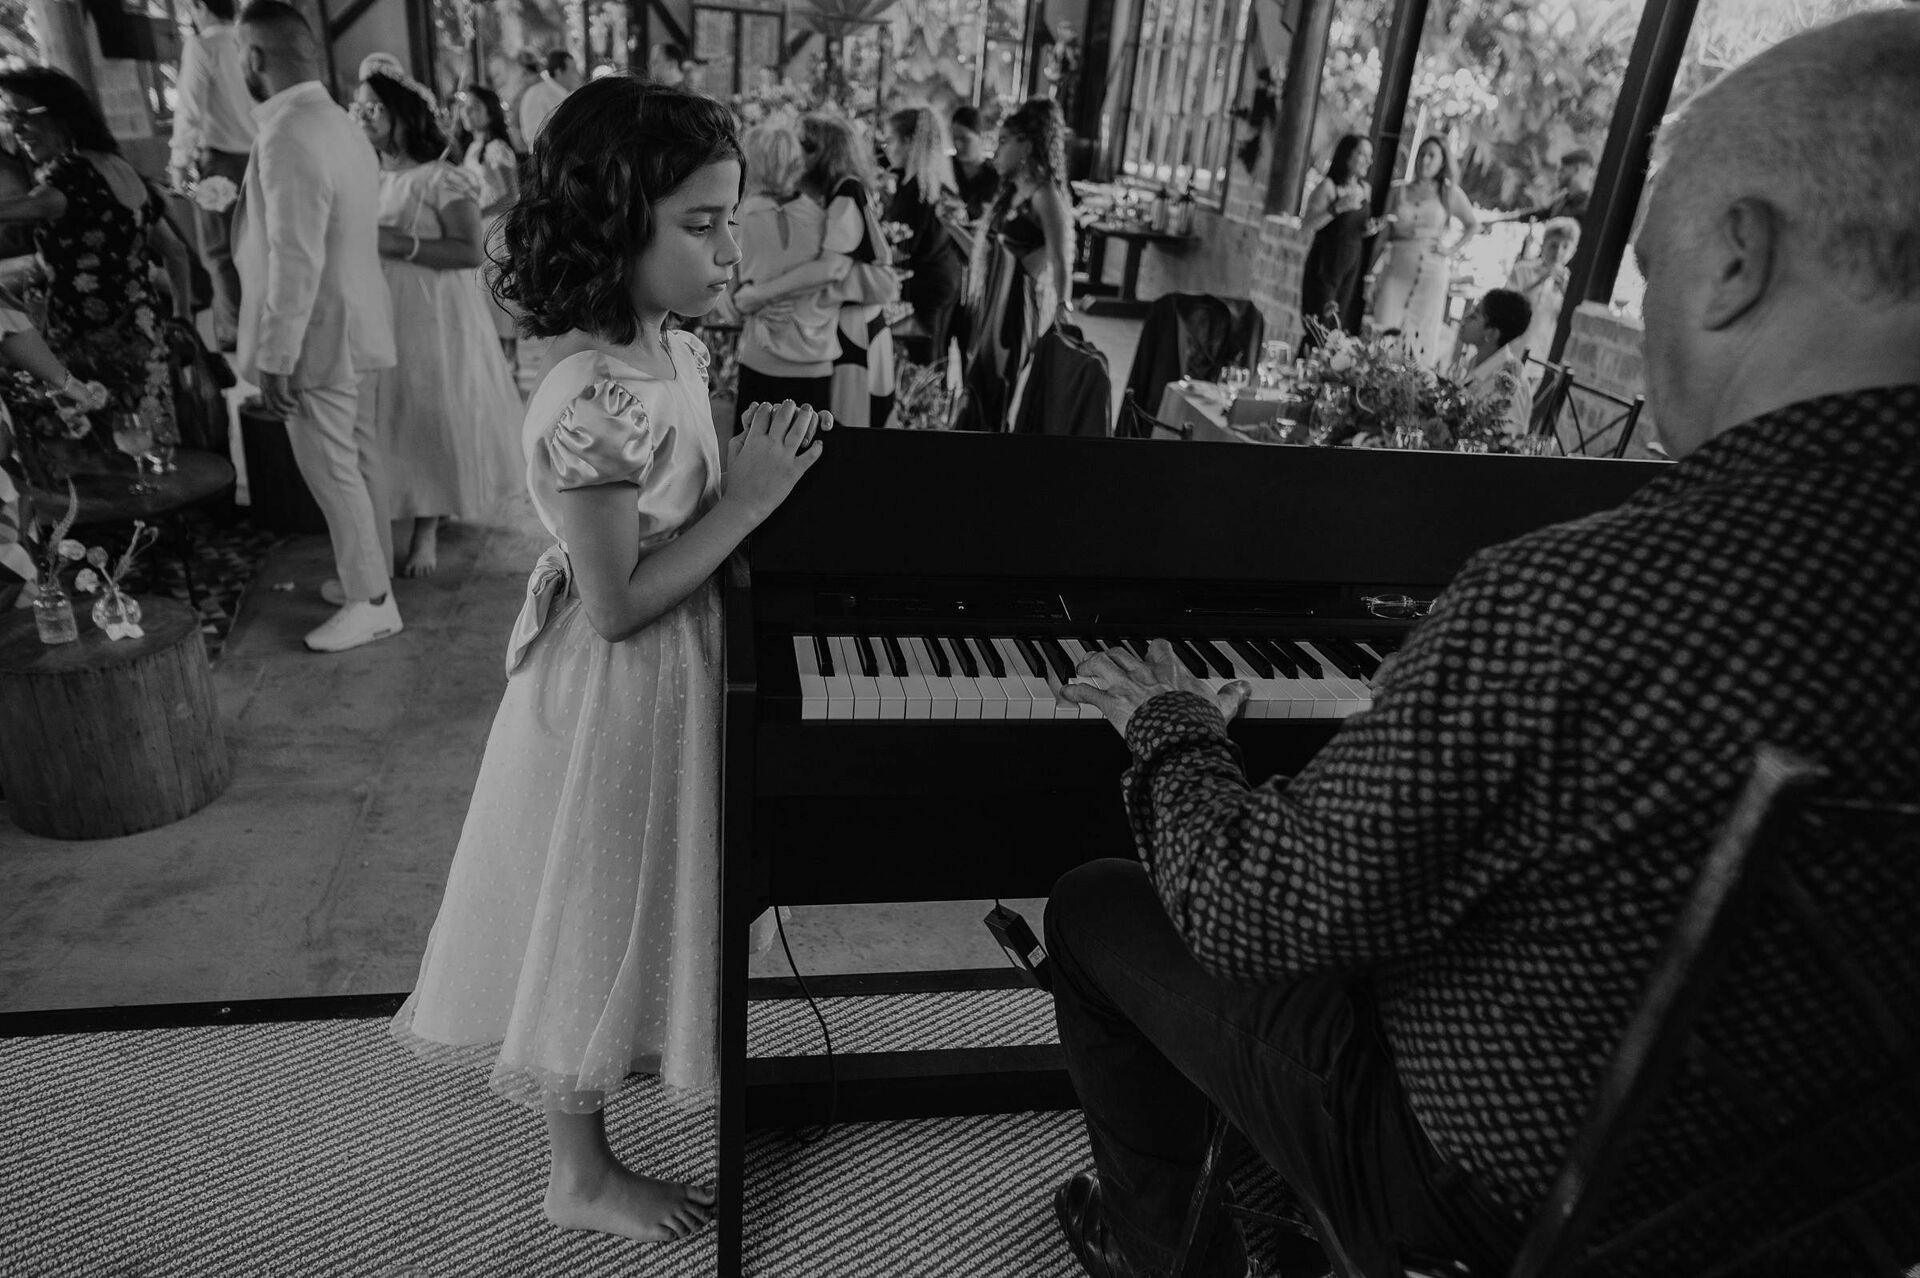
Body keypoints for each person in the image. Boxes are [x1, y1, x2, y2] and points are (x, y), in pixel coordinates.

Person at [1037, 10, 1920, 1278]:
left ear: (1736, 258)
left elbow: (1247, 911)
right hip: (1838, 1219)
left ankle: (1160, 1252)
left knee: (1099, 907)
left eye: (1654, 266)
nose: (1658, 300)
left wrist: (1169, 722)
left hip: (1487, 1190)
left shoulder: (1577, 601)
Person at [389, 78, 830, 1246]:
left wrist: (738, 474)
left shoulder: (664, 343)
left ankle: (627, 1100)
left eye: (730, 219)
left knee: (664, 893)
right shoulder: (589, 394)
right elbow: (620, 599)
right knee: (590, 906)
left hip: (675, 676)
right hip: (616, 690)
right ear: (611, 217)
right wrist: (742, 502)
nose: (730, 251)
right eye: (701, 225)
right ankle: (574, 1172)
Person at [233, 1, 400, 653]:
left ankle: (373, 601)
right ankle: (372, 577)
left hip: (321, 334)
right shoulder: (337, 121)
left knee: (332, 470)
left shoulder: (287, 133)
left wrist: (276, 356)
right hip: (362, 321)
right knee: (358, 461)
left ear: (253, 58)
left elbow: (295, 257)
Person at [352, 62, 523, 580]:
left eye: (373, 107)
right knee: (386, 412)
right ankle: (390, 511)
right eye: (357, 106)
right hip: (377, 305)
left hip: (431, 309)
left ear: (402, 115)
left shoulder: (441, 176)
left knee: (428, 407)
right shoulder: (366, 173)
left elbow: (469, 249)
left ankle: (427, 523)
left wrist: (396, 243)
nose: (362, 115)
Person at [0, 68, 193, 450]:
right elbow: (175, 251)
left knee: (100, 442)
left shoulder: (71, 175)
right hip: (143, 330)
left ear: (60, 114)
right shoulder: (120, 168)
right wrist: (182, 318)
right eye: (9, 117)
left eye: (25, 115)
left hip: (88, 338)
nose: (16, 128)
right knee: (147, 434)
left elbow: (37, 205)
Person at [737, 114, 894, 428]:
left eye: (804, 147)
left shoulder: (846, 191)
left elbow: (831, 268)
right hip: (824, 339)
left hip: (849, 327)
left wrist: (756, 296)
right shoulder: (821, 207)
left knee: (849, 420)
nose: (798, 156)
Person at [956, 96, 1073, 432]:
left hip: (1015, 309)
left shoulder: (1045, 195)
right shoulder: (1013, 192)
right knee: (978, 380)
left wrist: (1062, 311)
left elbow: (1060, 259)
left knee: (998, 384)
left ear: (1027, 145)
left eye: (1004, 142)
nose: (996, 151)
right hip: (994, 302)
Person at [731, 121, 840, 433]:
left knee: (754, 447)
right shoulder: (824, 219)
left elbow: (731, 297)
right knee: (812, 452)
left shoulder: (740, 218)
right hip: (815, 354)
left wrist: (753, 300)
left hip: (761, 352)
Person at [167, 0, 257, 352]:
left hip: (221, 165)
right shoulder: (250, 40)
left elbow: (189, 108)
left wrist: (179, 163)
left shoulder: (203, 45)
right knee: (259, 244)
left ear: (197, 5)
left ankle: (236, 331)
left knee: (220, 252)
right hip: (262, 159)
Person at [1370, 135, 1478, 369]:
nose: (1425, 160)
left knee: (1420, 338)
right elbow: (1383, 234)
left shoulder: (1448, 193)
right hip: (1398, 266)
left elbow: (1473, 224)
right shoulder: (1398, 191)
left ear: (1442, 162)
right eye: (1422, 154)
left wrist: (1450, 250)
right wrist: (1370, 274)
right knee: (1383, 326)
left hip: (1432, 271)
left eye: (1432, 156)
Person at [881, 105, 965, 368]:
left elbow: (902, 245)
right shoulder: (931, 183)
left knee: (923, 361)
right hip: (943, 280)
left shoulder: (916, 190)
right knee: (933, 354)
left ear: (908, 143)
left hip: (926, 287)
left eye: (890, 140)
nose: (886, 148)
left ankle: (925, 408)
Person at [448, 83, 522, 365]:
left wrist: (476, 214)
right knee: (482, 294)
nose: (467, 112)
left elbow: (510, 196)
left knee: (497, 293)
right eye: (465, 106)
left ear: (490, 113)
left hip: (494, 230)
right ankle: (493, 358)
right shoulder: (474, 147)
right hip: (480, 227)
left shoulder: (496, 149)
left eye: (475, 107)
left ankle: (508, 360)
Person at [1297, 133, 1381, 347]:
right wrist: (1337, 208)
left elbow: (1351, 229)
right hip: (1325, 267)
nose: (1368, 161)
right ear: (1346, 155)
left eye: (1369, 156)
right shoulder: (1328, 187)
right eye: (1362, 154)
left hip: (1351, 267)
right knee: (1319, 330)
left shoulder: (1366, 190)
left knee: (1339, 332)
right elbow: (1307, 226)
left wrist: (1368, 230)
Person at [1450, 287, 1532, 439]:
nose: (1464, 318)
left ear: (1492, 333)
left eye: (1474, 316)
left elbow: (1507, 443)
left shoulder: (1510, 384)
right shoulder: (1475, 360)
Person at [1505, 216, 1579, 370]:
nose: (1558, 252)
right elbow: (1507, 305)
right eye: (1553, 245)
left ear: (1572, 252)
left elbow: (1571, 324)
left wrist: (1566, 293)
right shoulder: (1523, 270)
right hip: (1510, 350)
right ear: (1543, 244)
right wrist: (1542, 279)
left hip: (1540, 358)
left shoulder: (1571, 285)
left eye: (1565, 247)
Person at [1493, 147, 1595, 226]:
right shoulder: (1562, 200)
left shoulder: (1588, 209)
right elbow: (1537, 215)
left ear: (1577, 169)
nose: (1557, 175)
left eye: (1562, 171)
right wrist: (1497, 221)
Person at [517, 49, 579, 146]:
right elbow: (532, 136)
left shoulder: (571, 95)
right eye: (573, 70)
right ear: (559, 72)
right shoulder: (536, 94)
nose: (577, 75)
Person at [949, 104, 999, 221]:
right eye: (955, 138)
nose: (958, 145)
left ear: (981, 136)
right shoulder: (946, 167)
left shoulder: (994, 175)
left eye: (965, 139)